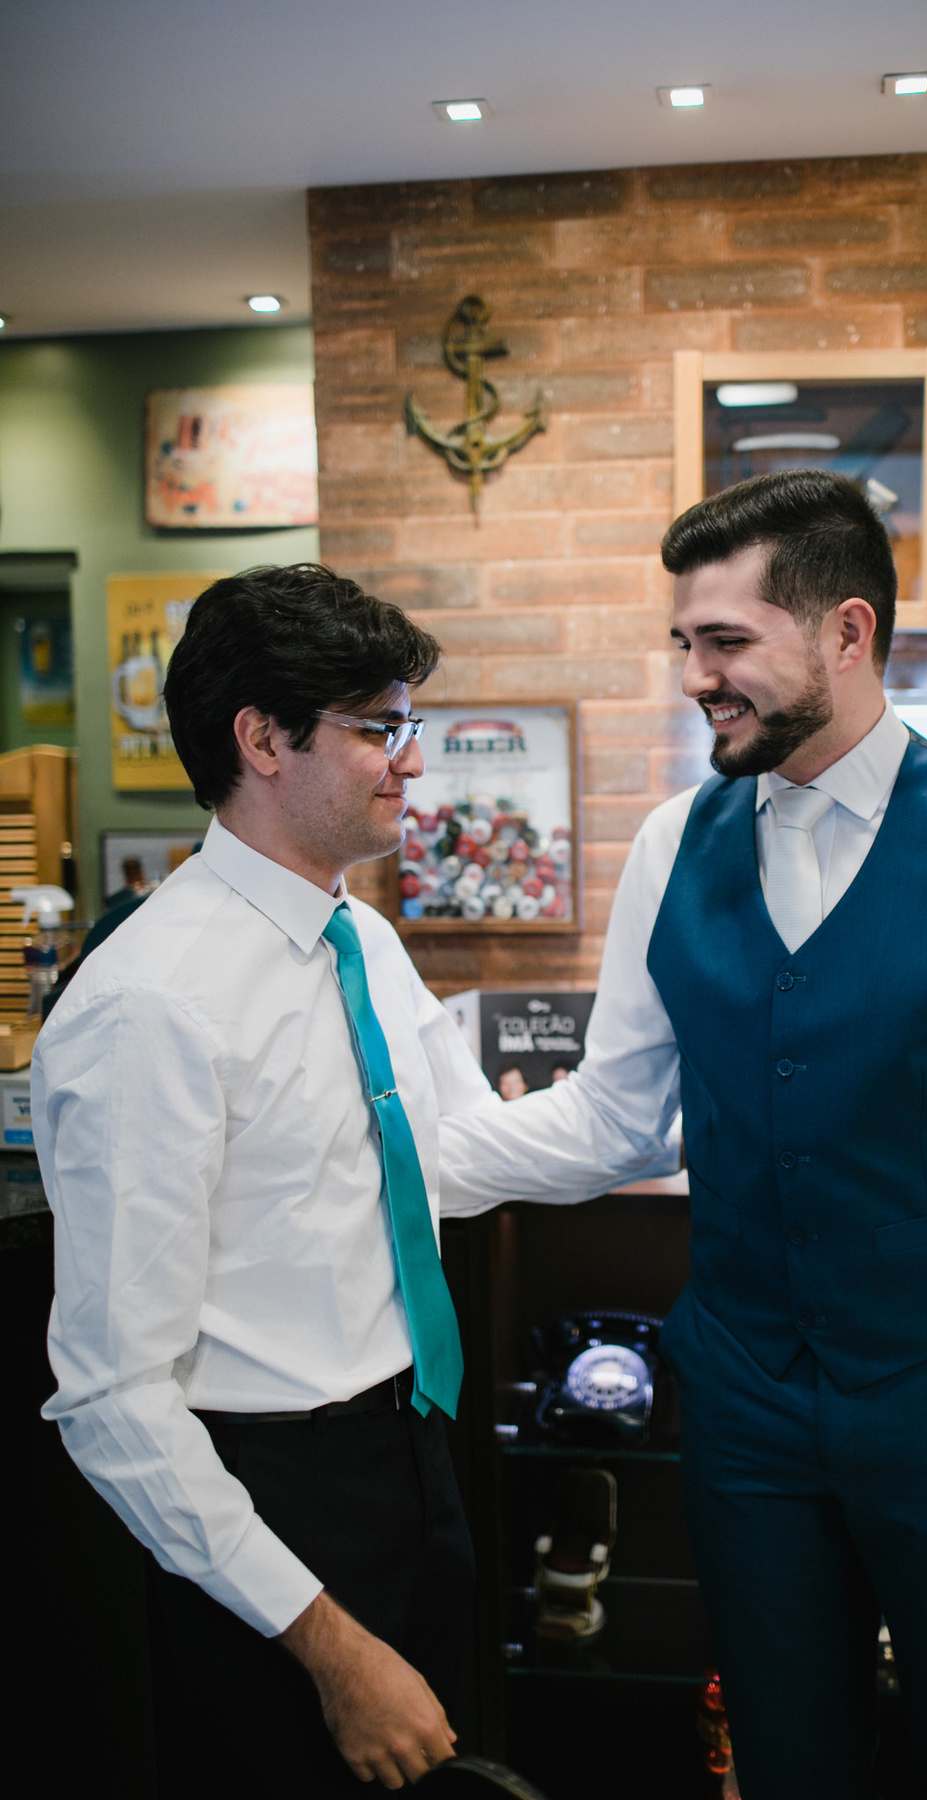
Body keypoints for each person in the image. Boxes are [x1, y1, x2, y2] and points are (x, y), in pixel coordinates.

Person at [438, 471, 927, 1799]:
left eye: (726, 642)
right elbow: (617, 1117)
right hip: (747, 1406)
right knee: (784, 1761)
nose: (696, 677)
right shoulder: (676, 842)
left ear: (848, 633)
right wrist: (399, 1156)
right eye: (685, 643)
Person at [33, 565, 606, 1797]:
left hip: (413, 1449)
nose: (413, 760)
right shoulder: (149, 1004)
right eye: (377, 728)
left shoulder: (365, 941)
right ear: (263, 739)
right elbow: (112, 1400)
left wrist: (671, 1114)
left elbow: (442, 1162)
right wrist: (332, 1648)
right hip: (264, 1506)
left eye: (411, 724)